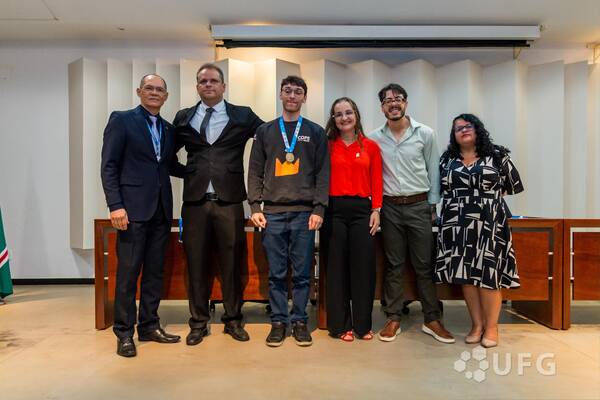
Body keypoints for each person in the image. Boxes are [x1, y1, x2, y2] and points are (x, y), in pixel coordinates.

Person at [173, 63, 263, 346]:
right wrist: (188, 172)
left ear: (223, 86)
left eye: (213, 81)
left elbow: (269, 138)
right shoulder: (184, 116)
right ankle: (198, 323)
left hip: (230, 201)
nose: (208, 85)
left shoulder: (242, 115)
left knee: (232, 264)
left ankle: (233, 319)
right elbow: (166, 153)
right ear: (197, 87)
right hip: (195, 203)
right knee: (196, 264)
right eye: (203, 81)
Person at [101, 74, 184, 357]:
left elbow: (169, 165)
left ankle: (149, 325)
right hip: (132, 211)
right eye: (149, 88)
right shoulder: (122, 120)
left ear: (166, 96)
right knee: (128, 274)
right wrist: (115, 205)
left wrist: (203, 171)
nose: (154, 92)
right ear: (139, 91)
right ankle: (124, 333)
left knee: (154, 273)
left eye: (160, 89)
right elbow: (109, 166)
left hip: (161, 210)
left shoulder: (169, 129)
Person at [369, 83, 455, 344]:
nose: (393, 103)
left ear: (405, 103)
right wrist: (376, 208)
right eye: (387, 100)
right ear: (382, 107)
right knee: (394, 264)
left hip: (419, 206)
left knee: (424, 265)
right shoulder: (374, 138)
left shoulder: (425, 133)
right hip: (390, 207)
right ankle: (393, 317)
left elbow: (433, 170)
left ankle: (432, 318)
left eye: (398, 99)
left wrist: (433, 206)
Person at [248, 75, 329, 347]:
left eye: (298, 92)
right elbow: (255, 170)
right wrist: (255, 206)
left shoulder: (315, 132)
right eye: (287, 91)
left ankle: (300, 322)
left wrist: (319, 209)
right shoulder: (265, 131)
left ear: (304, 97)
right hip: (272, 213)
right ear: (280, 95)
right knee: (277, 273)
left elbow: (323, 173)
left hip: (305, 214)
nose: (292, 96)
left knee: (303, 273)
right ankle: (278, 322)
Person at [435, 113, 524, 348]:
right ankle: (476, 325)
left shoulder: (497, 155)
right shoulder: (447, 159)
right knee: (467, 277)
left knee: (488, 277)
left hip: (488, 223)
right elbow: (438, 189)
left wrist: (487, 200)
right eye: (458, 128)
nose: (463, 130)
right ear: (453, 135)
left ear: (478, 129)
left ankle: (492, 328)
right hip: (456, 224)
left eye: (468, 126)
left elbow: (512, 185)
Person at [322, 97, 382, 341]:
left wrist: (376, 210)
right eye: (338, 114)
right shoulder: (326, 146)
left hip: (362, 212)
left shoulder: (371, 146)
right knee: (336, 269)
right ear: (333, 119)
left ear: (356, 115)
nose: (344, 118)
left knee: (363, 268)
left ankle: (362, 325)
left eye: (348, 112)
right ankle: (340, 325)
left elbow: (377, 179)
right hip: (333, 210)